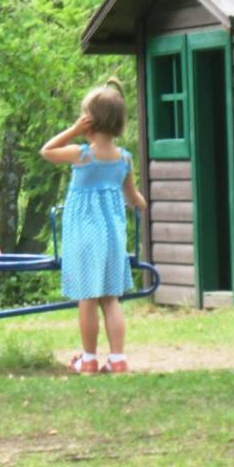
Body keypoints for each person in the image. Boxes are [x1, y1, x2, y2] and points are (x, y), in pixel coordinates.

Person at [41, 78, 147, 374]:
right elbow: (133, 196)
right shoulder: (123, 158)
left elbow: (47, 151)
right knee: (110, 299)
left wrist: (74, 131)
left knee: (87, 298)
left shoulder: (82, 154)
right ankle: (118, 359)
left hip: (84, 234)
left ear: (89, 120)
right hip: (112, 235)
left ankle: (88, 358)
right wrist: (141, 203)